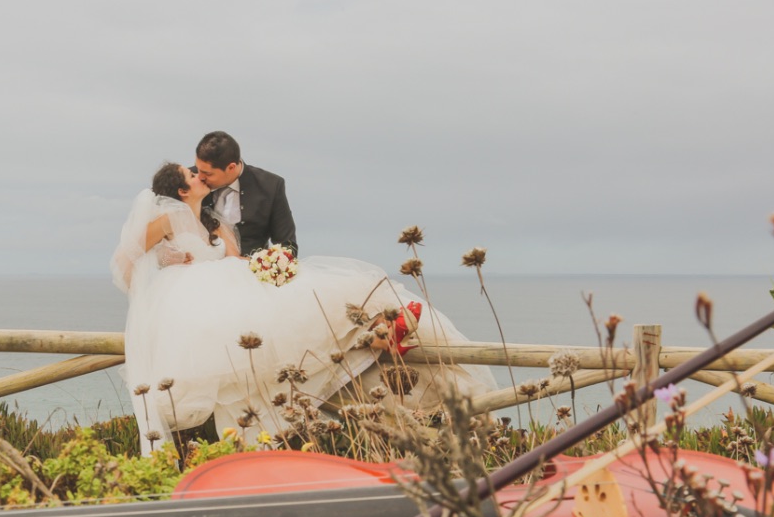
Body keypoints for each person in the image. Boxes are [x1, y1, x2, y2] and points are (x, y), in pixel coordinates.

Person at [111, 162, 494, 456]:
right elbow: (126, 263)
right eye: (192, 174)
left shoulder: (211, 219)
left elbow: (234, 260)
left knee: (317, 295)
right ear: (182, 188)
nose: (199, 175)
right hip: (195, 296)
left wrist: (269, 264)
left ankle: (380, 325)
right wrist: (158, 281)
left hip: (229, 283)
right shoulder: (164, 222)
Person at [195, 131, 298, 257]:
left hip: (248, 273)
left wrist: (268, 267)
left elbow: (287, 244)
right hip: (198, 272)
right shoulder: (187, 180)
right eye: (198, 169)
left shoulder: (270, 186)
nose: (199, 177)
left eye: (208, 174)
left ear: (231, 167)